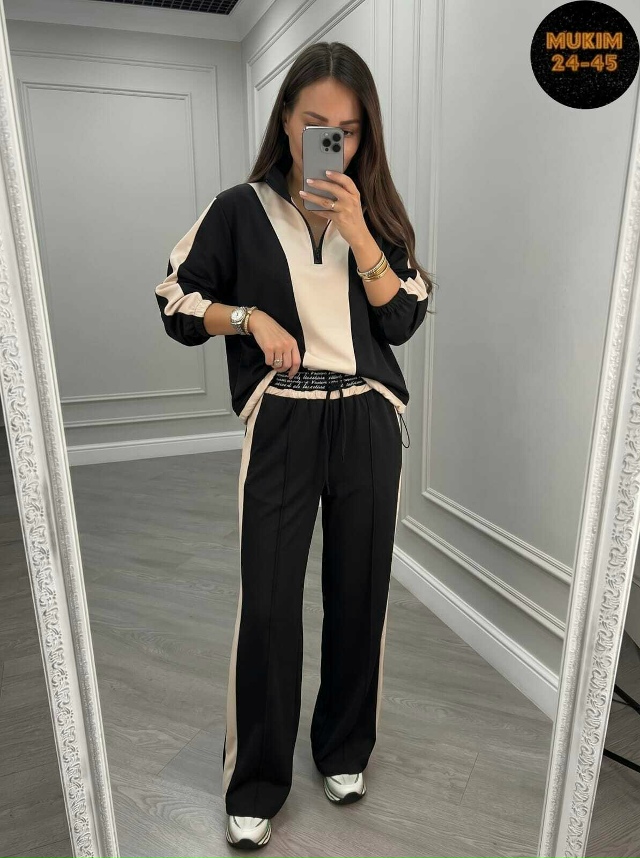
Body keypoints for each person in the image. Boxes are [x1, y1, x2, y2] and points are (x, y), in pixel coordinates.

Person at [155, 41, 434, 850]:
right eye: (316, 123)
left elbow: (402, 318)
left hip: (368, 421)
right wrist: (249, 318)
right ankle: (256, 782)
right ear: (285, 120)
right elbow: (175, 300)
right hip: (283, 419)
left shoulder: (375, 215)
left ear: (365, 133)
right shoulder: (238, 210)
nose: (332, 142)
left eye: (349, 128)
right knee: (270, 603)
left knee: (360, 594)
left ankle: (344, 750)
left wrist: (360, 233)